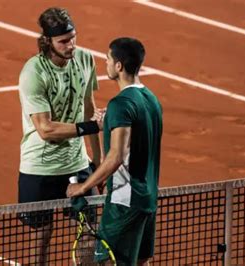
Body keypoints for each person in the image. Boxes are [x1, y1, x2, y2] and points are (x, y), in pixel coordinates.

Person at [67, 37, 163, 265]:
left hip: (124, 202)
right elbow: (137, 141)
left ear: (119, 66)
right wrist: (110, 119)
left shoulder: (120, 104)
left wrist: (84, 185)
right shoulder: (151, 99)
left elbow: (117, 156)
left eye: (108, 59)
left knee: (106, 262)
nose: (106, 63)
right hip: (148, 199)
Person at [17, 7, 102, 265]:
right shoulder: (33, 72)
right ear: (47, 42)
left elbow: (89, 108)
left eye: (73, 37)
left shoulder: (85, 60)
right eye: (64, 41)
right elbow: (45, 129)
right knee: (41, 236)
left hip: (76, 164)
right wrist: (89, 128)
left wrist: (97, 160)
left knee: (89, 229)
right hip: (39, 167)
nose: (71, 45)